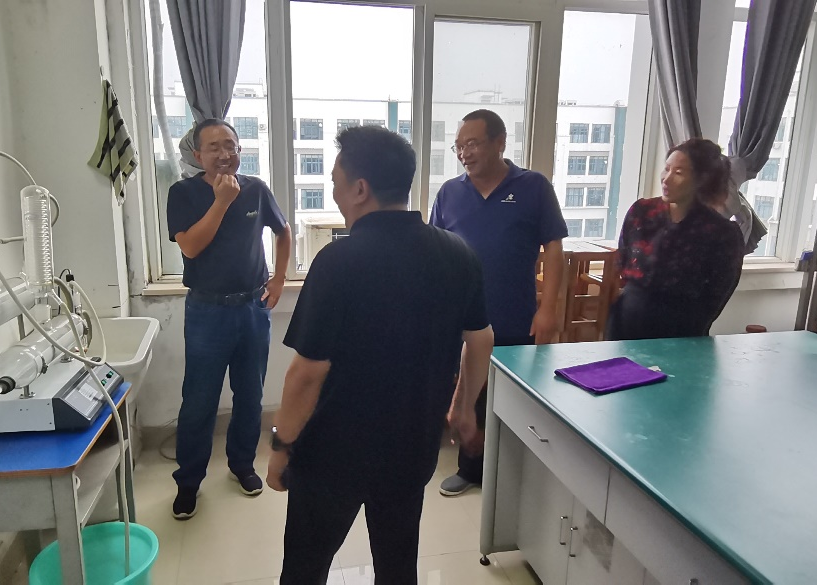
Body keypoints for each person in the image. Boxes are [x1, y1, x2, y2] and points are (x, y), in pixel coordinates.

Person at [266, 125, 495, 584]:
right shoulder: (457, 253)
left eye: (335, 181)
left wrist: (282, 446)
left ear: (360, 189)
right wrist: (463, 407)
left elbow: (306, 375)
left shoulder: (339, 262)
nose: (333, 192)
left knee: (306, 567)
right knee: (397, 566)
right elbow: (482, 339)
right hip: (412, 449)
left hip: (334, 455)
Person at [429, 109, 567, 497]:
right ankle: (471, 470)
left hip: (515, 315)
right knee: (470, 393)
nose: (464, 153)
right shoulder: (450, 193)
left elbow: (554, 249)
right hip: (464, 320)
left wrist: (549, 308)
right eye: (459, 146)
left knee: (515, 397)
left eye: (472, 143)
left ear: (500, 142)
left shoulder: (533, 186)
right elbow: (435, 251)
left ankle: (514, 477)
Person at [167, 118, 292, 520]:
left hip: (253, 308)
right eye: (214, 147)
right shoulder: (183, 193)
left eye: (230, 146)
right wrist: (221, 202)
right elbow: (190, 247)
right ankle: (188, 482)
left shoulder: (256, 188)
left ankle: (242, 465)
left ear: (239, 150)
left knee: (250, 395)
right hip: (207, 311)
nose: (224, 154)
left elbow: (283, 231)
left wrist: (279, 278)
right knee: (199, 401)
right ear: (197, 154)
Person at [607, 138, 744, 341]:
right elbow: (623, 261)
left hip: (682, 333)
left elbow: (717, 295)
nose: (666, 178)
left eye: (678, 173)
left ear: (701, 180)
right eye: (666, 169)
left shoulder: (722, 233)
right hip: (626, 323)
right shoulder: (641, 212)